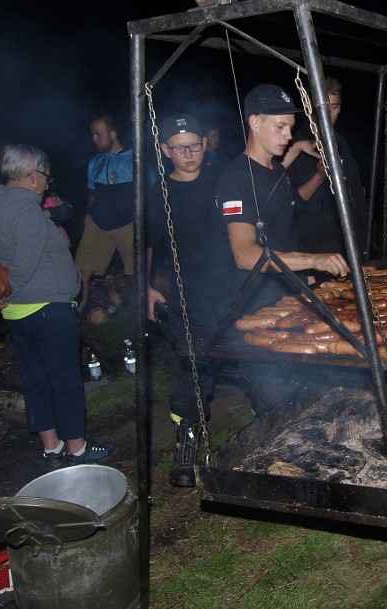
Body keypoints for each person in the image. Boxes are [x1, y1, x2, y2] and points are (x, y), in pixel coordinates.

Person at [0, 144, 115, 468]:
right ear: (30, 174)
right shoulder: (25, 208)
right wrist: (8, 293)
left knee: (37, 380)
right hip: (45, 308)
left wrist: (1, 297)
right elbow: (23, 265)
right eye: (45, 176)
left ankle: (51, 449)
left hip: (17, 313)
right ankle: (78, 450)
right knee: (63, 379)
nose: (47, 183)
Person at [146, 113, 241, 487]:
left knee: (258, 359)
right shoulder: (158, 195)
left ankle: (272, 422)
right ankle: (187, 444)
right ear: (166, 150)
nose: (189, 154)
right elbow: (147, 246)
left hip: (234, 287)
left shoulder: (223, 181)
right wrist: (147, 287)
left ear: (206, 144)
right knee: (192, 370)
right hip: (189, 295)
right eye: (180, 147)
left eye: (195, 145)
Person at [217, 83, 350, 311]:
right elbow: (244, 254)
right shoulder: (235, 178)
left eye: (290, 127)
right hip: (256, 303)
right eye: (280, 127)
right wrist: (313, 261)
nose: (288, 135)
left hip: (289, 295)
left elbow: (286, 229)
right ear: (255, 122)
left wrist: (306, 277)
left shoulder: (277, 170)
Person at [286, 75, 369, 260]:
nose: (329, 114)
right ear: (311, 109)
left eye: (334, 107)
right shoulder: (296, 145)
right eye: (323, 108)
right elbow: (292, 202)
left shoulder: (340, 142)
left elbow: (355, 193)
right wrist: (319, 177)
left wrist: (365, 237)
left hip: (350, 242)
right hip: (316, 249)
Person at [74, 113, 136, 315]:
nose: (94, 139)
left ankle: (141, 317)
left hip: (128, 224)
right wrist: (88, 217)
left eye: (98, 134)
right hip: (98, 224)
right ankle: (76, 314)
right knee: (81, 271)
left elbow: (150, 192)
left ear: (113, 133)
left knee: (136, 272)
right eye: (92, 134)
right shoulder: (95, 162)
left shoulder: (134, 158)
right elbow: (92, 193)